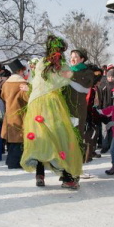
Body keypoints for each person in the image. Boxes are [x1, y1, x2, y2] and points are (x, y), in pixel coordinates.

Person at [20, 35, 83, 189]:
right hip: (52, 104)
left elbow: (34, 84)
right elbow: (70, 80)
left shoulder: (41, 63)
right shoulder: (62, 66)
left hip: (35, 104)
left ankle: (40, 175)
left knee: (42, 137)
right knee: (61, 138)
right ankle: (68, 176)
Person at [66, 49, 95, 163]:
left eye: (75, 57)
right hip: (66, 108)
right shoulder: (66, 71)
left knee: (77, 134)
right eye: (71, 56)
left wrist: (70, 76)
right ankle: (68, 165)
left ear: (82, 59)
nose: (72, 59)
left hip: (78, 108)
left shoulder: (87, 72)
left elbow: (85, 87)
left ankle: (77, 163)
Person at [0, 59, 29, 169]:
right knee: (19, 140)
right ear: (20, 71)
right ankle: (15, 163)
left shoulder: (6, 84)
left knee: (11, 140)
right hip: (20, 114)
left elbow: (2, 96)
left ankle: (10, 161)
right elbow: (26, 98)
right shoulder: (23, 83)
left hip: (9, 114)